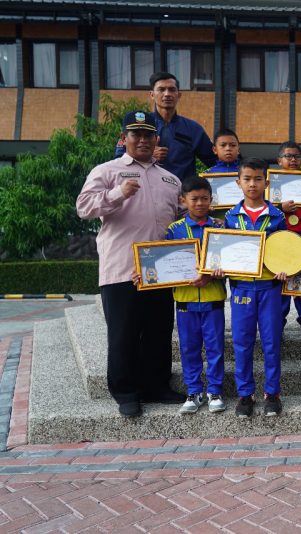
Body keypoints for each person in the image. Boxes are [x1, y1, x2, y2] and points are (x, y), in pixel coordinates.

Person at [77, 110, 184, 417]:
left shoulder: (169, 178)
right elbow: (83, 207)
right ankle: (126, 392)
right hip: (121, 267)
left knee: (159, 331)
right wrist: (117, 193)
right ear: (123, 139)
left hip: (159, 269)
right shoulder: (107, 171)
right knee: (123, 333)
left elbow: (177, 220)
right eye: (135, 134)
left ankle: (157, 386)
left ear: (156, 139)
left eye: (148, 134)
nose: (142, 140)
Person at [223, 157, 288, 418]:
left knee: (272, 342)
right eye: (247, 179)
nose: (252, 184)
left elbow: (287, 249)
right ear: (238, 182)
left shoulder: (277, 217)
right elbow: (222, 251)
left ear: (267, 182)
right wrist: (219, 266)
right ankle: (245, 394)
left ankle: (272, 393)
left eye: (258, 179)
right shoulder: (229, 217)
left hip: (270, 288)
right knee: (242, 343)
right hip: (241, 289)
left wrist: (287, 267)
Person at [160, 176, 227, 414]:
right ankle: (194, 391)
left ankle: (215, 390)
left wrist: (216, 273)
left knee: (215, 347)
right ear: (183, 200)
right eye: (194, 199)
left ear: (212, 200)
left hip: (214, 298)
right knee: (189, 347)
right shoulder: (174, 230)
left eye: (205, 199)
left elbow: (229, 263)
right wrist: (147, 276)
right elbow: (163, 263)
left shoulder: (220, 228)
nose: (200, 203)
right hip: (185, 300)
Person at [114, 72, 215, 181]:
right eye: (161, 89)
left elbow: (214, 161)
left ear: (179, 95)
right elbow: (119, 161)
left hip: (182, 194)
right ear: (152, 95)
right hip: (146, 191)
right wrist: (147, 157)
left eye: (172, 89)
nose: (167, 94)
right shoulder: (139, 125)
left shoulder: (193, 129)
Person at [277, 141, 301, 337]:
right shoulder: (272, 182)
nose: (293, 160)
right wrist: (279, 208)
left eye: (297, 156)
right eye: (288, 156)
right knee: (282, 281)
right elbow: (266, 207)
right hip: (280, 240)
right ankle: (278, 324)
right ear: (279, 160)